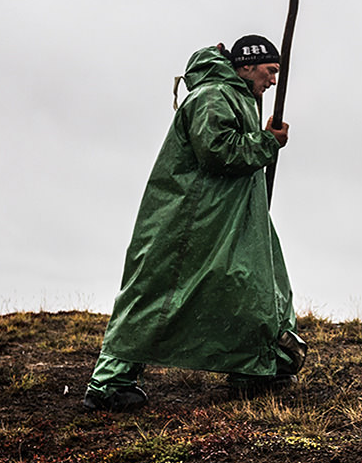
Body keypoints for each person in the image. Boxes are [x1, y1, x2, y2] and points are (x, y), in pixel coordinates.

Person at [83, 36, 302, 412]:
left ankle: (260, 368)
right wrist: (267, 142)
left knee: (253, 286)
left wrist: (262, 138)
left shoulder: (237, 98)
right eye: (270, 71)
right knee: (160, 292)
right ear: (247, 66)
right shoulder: (214, 95)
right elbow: (217, 151)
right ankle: (109, 383)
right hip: (192, 219)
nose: (273, 81)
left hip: (233, 216)